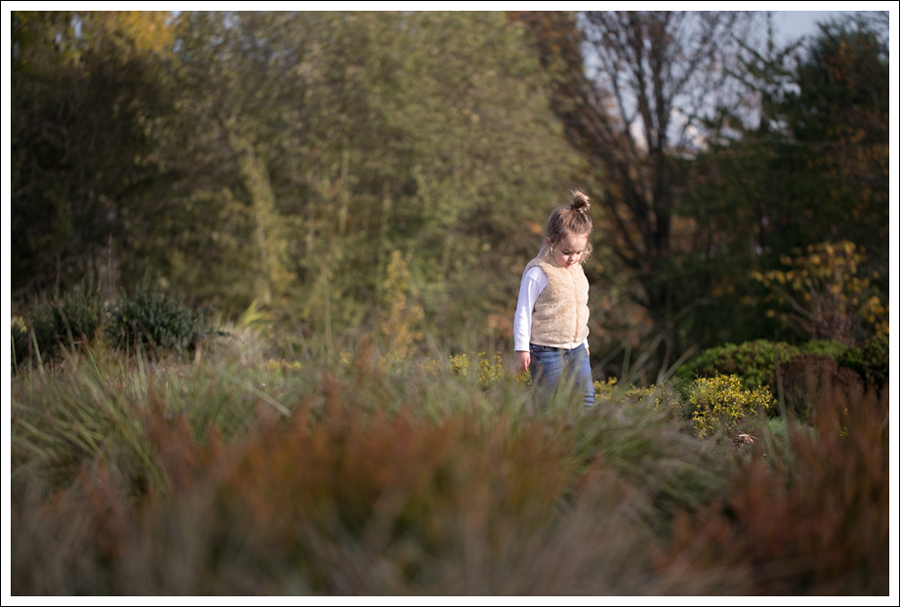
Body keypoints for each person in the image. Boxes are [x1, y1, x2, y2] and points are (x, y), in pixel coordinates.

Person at [513, 190, 595, 409]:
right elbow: (523, 311)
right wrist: (521, 348)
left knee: (586, 399)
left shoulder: (577, 269)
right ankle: (541, 441)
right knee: (545, 404)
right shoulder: (538, 272)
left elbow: (578, 307)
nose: (573, 258)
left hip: (577, 348)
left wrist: (583, 342)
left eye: (579, 252)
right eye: (567, 252)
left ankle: (581, 441)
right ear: (550, 243)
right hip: (546, 350)